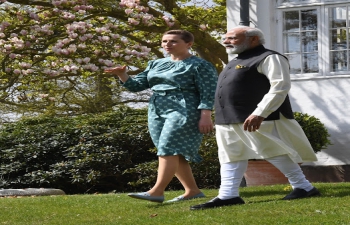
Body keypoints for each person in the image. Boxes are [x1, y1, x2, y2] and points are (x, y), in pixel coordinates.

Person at [190, 26, 320, 210]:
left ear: (253, 39)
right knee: (230, 156)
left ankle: (303, 187)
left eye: (232, 38)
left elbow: (280, 87)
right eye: (225, 38)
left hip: (256, 117)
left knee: (272, 151)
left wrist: (260, 112)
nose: (226, 42)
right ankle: (228, 195)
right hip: (227, 118)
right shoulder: (235, 60)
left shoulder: (270, 57)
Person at [104, 30, 218, 203]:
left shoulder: (200, 65)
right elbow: (137, 86)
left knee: (167, 147)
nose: (167, 44)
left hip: (184, 108)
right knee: (171, 151)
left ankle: (157, 191)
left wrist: (206, 115)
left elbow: (209, 92)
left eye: (173, 41)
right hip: (156, 109)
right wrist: (122, 74)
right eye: (164, 41)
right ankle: (192, 191)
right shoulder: (156, 64)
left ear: (189, 44)